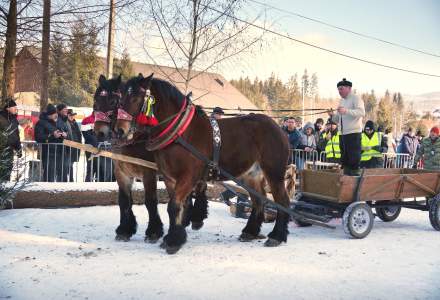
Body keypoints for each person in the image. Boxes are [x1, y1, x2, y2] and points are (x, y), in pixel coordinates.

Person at [328, 78, 365, 176]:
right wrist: (332, 115)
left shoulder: (356, 98)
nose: (339, 91)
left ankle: (354, 179)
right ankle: (346, 178)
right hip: (342, 133)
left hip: (353, 133)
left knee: (353, 158)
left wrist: (346, 111)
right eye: (338, 89)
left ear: (349, 88)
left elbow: (362, 112)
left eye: (341, 89)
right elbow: (337, 119)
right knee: (344, 159)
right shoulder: (341, 101)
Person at [34, 104, 65, 182]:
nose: (56, 115)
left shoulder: (55, 122)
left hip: (58, 152)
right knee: (49, 175)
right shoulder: (41, 123)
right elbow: (38, 137)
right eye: (54, 114)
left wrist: (62, 135)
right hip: (48, 153)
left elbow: (57, 133)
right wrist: (51, 136)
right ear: (50, 115)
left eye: (56, 114)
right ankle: (47, 192)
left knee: (58, 174)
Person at [0, 99, 22, 181]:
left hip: (10, 149)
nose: (16, 109)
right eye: (14, 107)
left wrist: (19, 148)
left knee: (8, 170)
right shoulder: (1, 117)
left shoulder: (14, 119)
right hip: (2, 149)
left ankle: (6, 189)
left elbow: (16, 135)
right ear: (8, 108)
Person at [66, 109, 82, 181]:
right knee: (68, 164)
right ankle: (69, 179)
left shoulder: (74, 123)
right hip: (69, 146)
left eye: (73, 115)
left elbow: (78, 134)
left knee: (71, 164)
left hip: (75, 146)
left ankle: (71, 179)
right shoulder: (66, 122)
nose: (72, 117)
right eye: (70, 115)